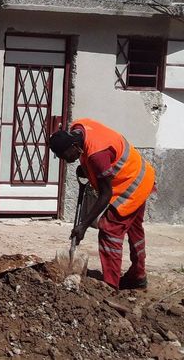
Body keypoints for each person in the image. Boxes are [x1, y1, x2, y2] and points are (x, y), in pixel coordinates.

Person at [49, 118, 156, 289]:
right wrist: (86, 167)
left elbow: (106, 195)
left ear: (74, 146)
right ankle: (138, 275)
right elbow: (98, 154)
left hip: (132, 186)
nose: (66, 160)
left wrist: (83, 225)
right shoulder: (80, 127)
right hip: (142, 176)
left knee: (109, 230)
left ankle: (110, 285)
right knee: (135, 230)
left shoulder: (97, 155)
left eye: (65, 156)